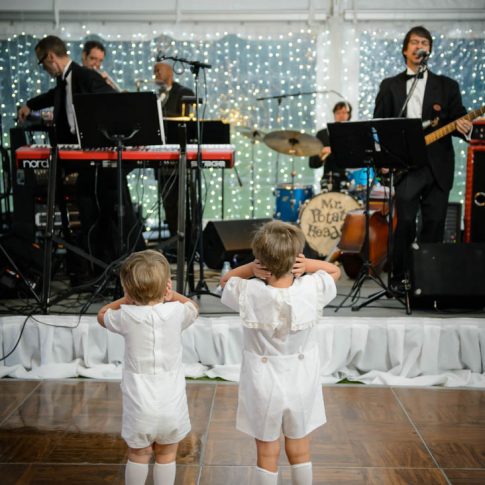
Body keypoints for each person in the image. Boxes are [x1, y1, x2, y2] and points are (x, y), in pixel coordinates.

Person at [219, 220, 340, 485]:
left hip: (262, 383)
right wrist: (308, 266)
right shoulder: (311, 288)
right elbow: (334, 271)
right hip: (302, 381)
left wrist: (251, 268)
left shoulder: (248, 291)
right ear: (296, 257)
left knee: (266, 451)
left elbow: (226, 280)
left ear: (261, 260)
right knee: (300, 448)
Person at [18, 36, 144, 278]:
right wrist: (29, 104)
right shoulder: (65, 79)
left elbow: (113, 104)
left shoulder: (85, 76)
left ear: (50, 57)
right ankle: (95, 273)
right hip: (82, 159)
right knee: (88, 213)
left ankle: (113, 272)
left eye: (41, 62)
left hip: (99, 160)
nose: (42, 67)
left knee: (107, 215)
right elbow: (53, 95)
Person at [373, 25, 472, 292]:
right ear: (405, 50)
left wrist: (466, 127)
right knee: (404, 222)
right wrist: (382, 158)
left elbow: (459, 118)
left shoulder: (447, 86)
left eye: (425, 42)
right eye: (415, 42)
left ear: (430, 51)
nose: (421, 46)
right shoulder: (390, 86)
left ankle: (427, 281)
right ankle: (398, 278)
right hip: (406, 166)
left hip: (438, 166)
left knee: (435, 224)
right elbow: (379, 125)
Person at [97, 249, 199, 485]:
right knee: (166, 455)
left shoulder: (125, 316)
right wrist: (171, 295)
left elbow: (102, 314)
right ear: (167, 286)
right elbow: (193, 306)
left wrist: (127, 300)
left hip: (139, 407)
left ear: (127, 289)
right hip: (171, 406)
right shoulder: (175, 312)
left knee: (139, 455)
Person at [153, 60, 195, 238]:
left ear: (170, 72)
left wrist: (158, 114)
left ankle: (187, 244)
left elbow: (185, 119)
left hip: (179, 160)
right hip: (162, 161)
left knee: (183, 205)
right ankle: (172, 242)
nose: (156, 74)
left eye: (159, 70)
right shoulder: (157, 95)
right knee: (168, 203)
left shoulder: (184, 92)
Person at [309, 101, 352, 192]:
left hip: (350, 180)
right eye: (338, 112)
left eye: (344, 112)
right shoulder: (323, 134)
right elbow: (313, 163)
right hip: (328, 180)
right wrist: (322, 153)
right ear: (334, 114)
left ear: (349, 115)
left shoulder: (354, 134)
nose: (341, 115)